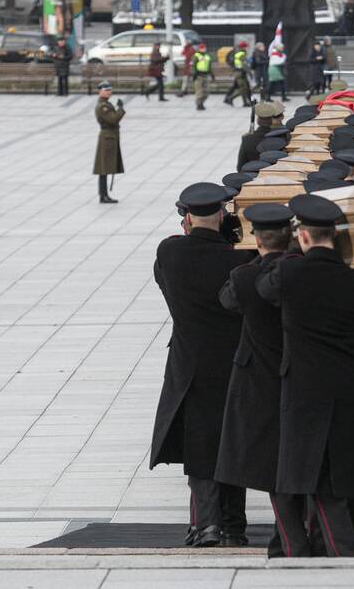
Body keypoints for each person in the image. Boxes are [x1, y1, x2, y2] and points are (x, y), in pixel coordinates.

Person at [256, 194, 354, 558]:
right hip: (347, 384)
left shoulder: (290, 272)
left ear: (303, 235)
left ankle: (326, 549)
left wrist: (285, 251)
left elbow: (264, 289)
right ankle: (321, 545)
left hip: (303, 388)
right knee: (335, 471)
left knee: (301, 472)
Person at [150, 183, 251, 548]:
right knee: (231, 443)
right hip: (236, 362)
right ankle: (234, 526)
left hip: (190, 364)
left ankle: (207, 525)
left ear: (187, 218)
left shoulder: (171, 253)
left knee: (200, 446)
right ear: (223, 215)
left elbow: (163, 280)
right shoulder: (240, 258)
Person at [214, 203, 296, 555]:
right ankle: (295, 530)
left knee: (257, 457)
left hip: (256, 377)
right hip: (297, 372)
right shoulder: (300, 272)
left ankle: (244, 529)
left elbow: (227, 301)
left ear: (256, 238)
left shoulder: (244, 276)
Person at [93, 81, 124, 204]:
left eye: (109, 90)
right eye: (106, 90)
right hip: (107, 138)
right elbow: (113, 119)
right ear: (100, 91)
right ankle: (103, 195)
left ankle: (104, 194)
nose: (108, 92)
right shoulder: (103, 106)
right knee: (104, 169)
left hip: (109, 137)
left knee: (104, 169)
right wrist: (120, 110)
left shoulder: (105, 104)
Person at [237, 102, 281, 171]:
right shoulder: (280, 136)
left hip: (252, 176)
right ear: (271, 120)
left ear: (258, 121)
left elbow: (240, 167)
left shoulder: (247, 139)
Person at [224, 41, 252, 107]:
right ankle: (230, 98)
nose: (246, 48)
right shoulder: (242, 53)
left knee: (243, 88)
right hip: (240, 72)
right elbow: (244, 64)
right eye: (246, 47)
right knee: (242, 89)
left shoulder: (237, 53)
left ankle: (245, 102)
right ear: (243, 47)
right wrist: (249, 72)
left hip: (238, 72)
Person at [192, 43, 215, 111]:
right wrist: (194, 74)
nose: (204, 49)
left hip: (205, 75)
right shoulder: (196, 55)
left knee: (206, 91)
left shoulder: (207, 56)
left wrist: (212, 75)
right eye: (202, 48)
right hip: (199, 75)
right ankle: (199, 104)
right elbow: (194, 65)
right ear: (199, 49)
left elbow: (209, 67)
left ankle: (201, 102)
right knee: (200, 91)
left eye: (204, 48)